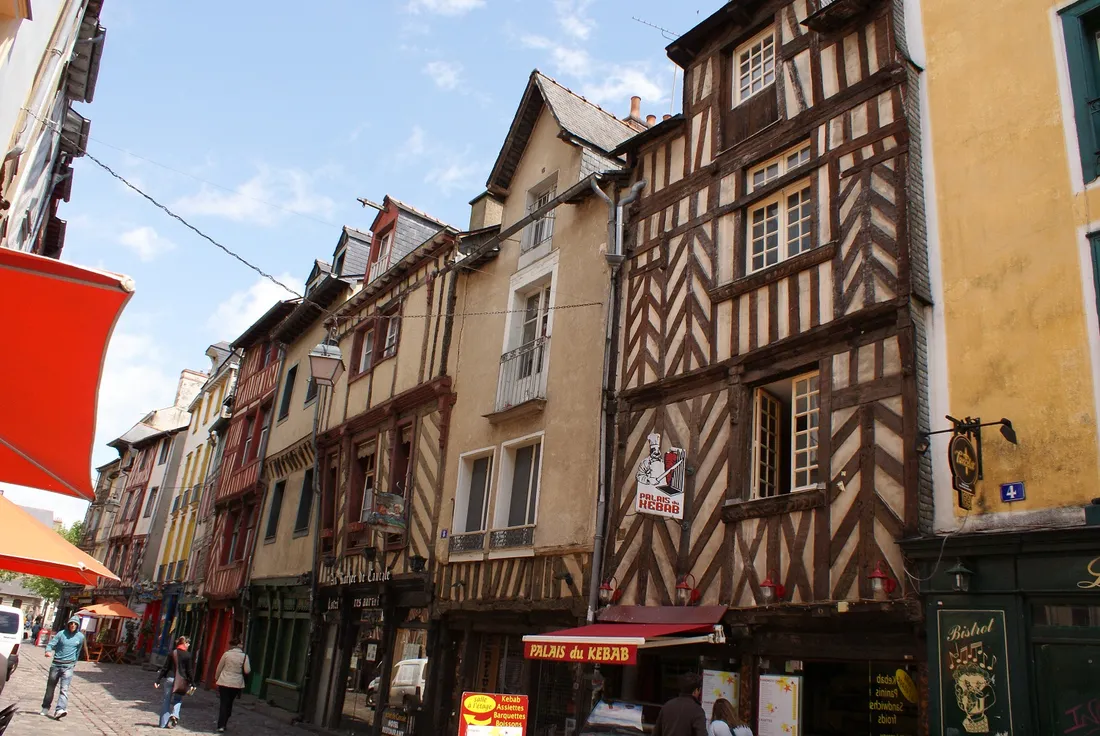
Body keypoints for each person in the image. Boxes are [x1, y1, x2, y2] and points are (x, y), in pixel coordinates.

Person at [40, 615, 87, 720]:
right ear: (68, 624)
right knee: (50, 688)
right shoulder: (61, 634)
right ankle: (45, 707)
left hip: (68, 666)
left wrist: (73, 663)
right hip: (56, 664)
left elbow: (78, 651)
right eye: (71, 623)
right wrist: (48, 651)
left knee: (64, 689)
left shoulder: (80, 637)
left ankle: (60, 709)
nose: (73, 625)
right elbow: (51, 644)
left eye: (75, 624)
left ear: (78, 625)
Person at [155, 636, 195, 729]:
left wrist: (158, 680)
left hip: (170, 678)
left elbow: (165, 667)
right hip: (181, 681)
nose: (189, 645)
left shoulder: (172, 653)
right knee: (178, 699)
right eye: (188, 643)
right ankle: (175, 714)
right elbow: (189, 670)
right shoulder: (187, 655)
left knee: (166, 701)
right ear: (185, 643)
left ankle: (163, 724)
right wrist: (192, 682)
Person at [214, 637, 251, 733]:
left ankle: (221, 725)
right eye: (241, 643)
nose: (242, 645)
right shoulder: (244, 656)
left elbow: (219, 667)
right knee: (230, 703)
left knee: (223, 703)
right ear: (238, 645)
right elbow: (247, 670)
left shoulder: (226, 654)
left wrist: (217, 678)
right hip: (236, 683)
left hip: (224, 681)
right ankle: (225, 721)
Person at [653, 672, 707, 736]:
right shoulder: (697, 711)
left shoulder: (667, 706)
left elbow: (656, 733)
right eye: (699, 690)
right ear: (695, 691)